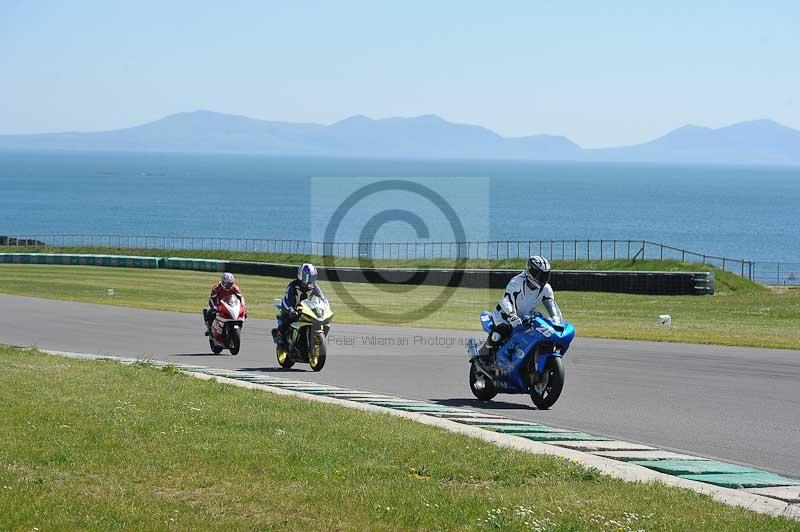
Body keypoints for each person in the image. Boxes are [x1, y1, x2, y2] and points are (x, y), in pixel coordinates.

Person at [477, 256, 563, 365]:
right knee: (500, 333)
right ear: (530, 271)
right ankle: (483, 355)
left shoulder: (546, 289)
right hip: (505, 316)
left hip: (526, 319)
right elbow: (506, 300)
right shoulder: (517, 282)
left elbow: (551, 305)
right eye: (539, 274)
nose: (542, 278)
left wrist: (555, 319)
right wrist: (512, 315)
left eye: (545, 274)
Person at [272, 263, 329, 343]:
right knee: (287, 319)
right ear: (300, 275)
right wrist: (290, 310)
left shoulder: (315, 286)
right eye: (307, 277)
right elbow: (286, 299)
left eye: (311, 277)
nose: (309, 280)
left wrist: (326, 307)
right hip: (292, 309)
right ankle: (279, 335)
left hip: (305, 310)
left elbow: (322, 298)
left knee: (318, 321)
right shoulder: (293, 285)